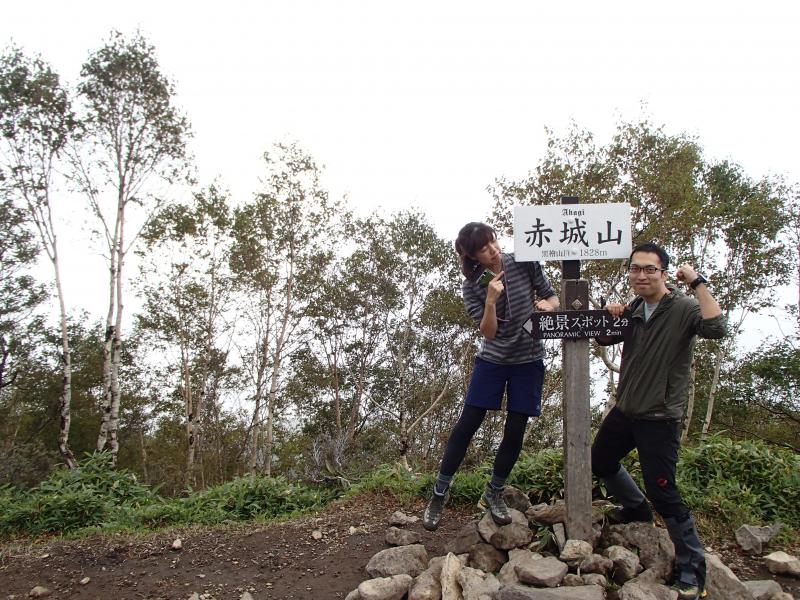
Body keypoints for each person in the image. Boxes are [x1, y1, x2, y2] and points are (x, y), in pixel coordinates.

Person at [593, 242, 726, 600]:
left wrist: (697, 282)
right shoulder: (635, 308)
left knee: (664, 491)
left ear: (663, 273)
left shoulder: (682, 308)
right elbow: (604, 337)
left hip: (660, 416)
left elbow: (716, 327)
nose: (641, 275)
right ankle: (636, 510)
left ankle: (692, 568)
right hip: (627, 410)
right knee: (600, 460)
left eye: (649, 269)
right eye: (635, 269)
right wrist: (610, 315)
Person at [422, 222, 559, 531]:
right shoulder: (472, 285)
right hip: (493, 360)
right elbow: (489, 332)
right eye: (484, 249)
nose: (493, 250)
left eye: (493, 242)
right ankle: (440, 492)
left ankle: (494, 491)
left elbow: (551, 297)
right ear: (473, 256)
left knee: (516, 428)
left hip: (529, 359)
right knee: (468, 424)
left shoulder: (523, 261)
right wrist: (491, 300)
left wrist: (547, 307)